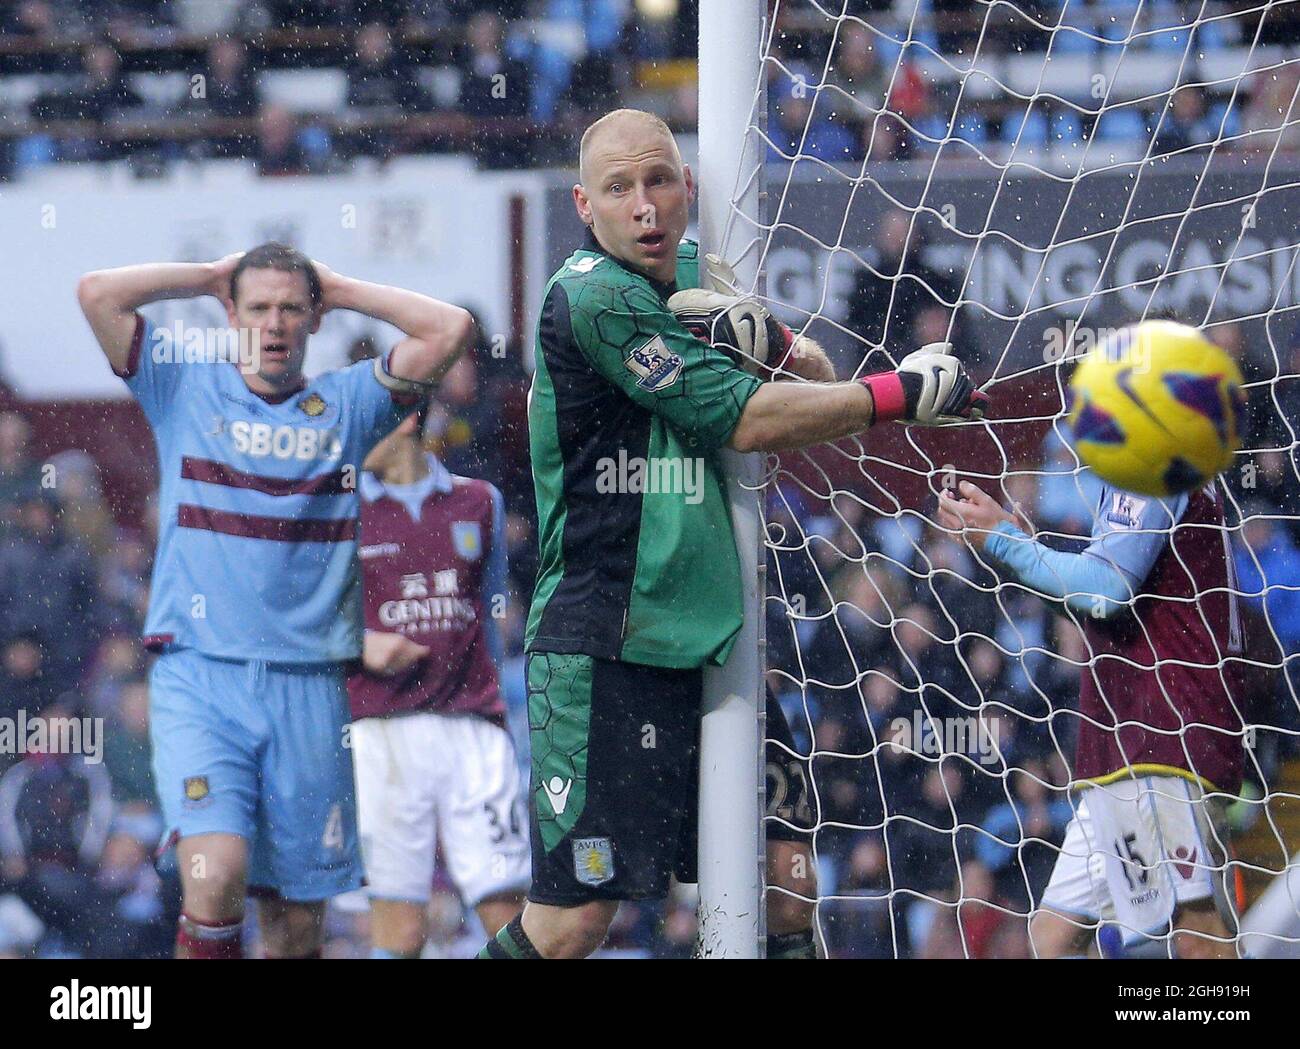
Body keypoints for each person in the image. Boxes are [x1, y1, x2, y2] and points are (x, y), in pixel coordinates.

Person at [478, 108, 987, 960]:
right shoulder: (592, 297)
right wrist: (897, 394)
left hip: (714, 638)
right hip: (611, 640)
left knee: (786, 882)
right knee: (573, 923)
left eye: (659, 181)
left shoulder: (693, 270)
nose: (644, 204)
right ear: (583, 205)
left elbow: (810, 375)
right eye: (619, 188)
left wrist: (770, 337)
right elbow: (748, 421)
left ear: (687, 189)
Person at [77, 241, 472, 958]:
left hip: (308, 686)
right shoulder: (183, 385)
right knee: (215, 870)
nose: (275, 322)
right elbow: (98, 291)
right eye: (257, 305)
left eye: (293, 307)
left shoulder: (349, 404)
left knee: (295, 928)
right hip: (200, 674)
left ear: (313, 319)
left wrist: (340, 287)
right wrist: (204, 274)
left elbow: (447, 331)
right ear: (230, 313)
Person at [938, 468, 1246, 959]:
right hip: (1128, 743)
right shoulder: (1166, 472)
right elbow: (1102, 612)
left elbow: (1103, 592)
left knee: (1198, 934)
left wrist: (1003, 538)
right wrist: (1008, 546)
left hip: (1161, 733)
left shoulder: (1152, 466)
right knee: (1050, 941)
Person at [347, 397, 529, 958]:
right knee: (400, 932)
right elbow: (304, 615)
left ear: (405, 421)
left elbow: (498, 607)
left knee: (507, 913)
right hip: (383, 735)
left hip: (473, 727)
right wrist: (360, 644)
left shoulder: (480, 501)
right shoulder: (342, 511)